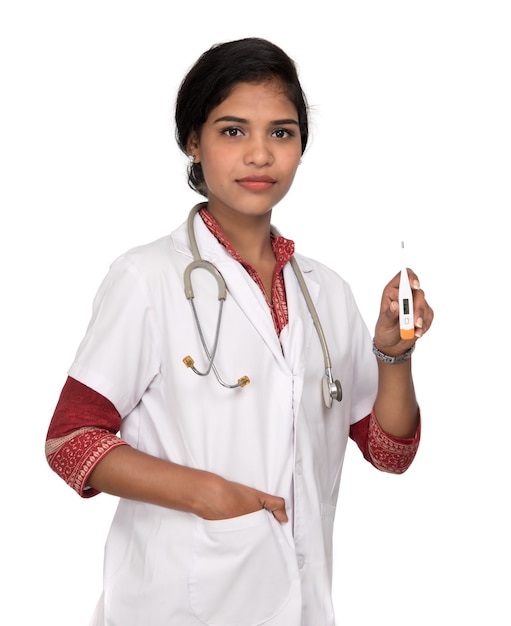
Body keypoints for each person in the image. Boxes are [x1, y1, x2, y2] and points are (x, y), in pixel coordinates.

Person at [46, 37, 433, 626]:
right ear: (192, 142)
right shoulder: (145, 277)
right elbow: (70, 441)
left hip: (301, 604)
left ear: (302, 147)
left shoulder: (324, 290)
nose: (260, 154)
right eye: (233, 131)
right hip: (177, 605)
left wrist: (393, 355)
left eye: (281, 132)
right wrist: (207, 493)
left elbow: (389, 451)